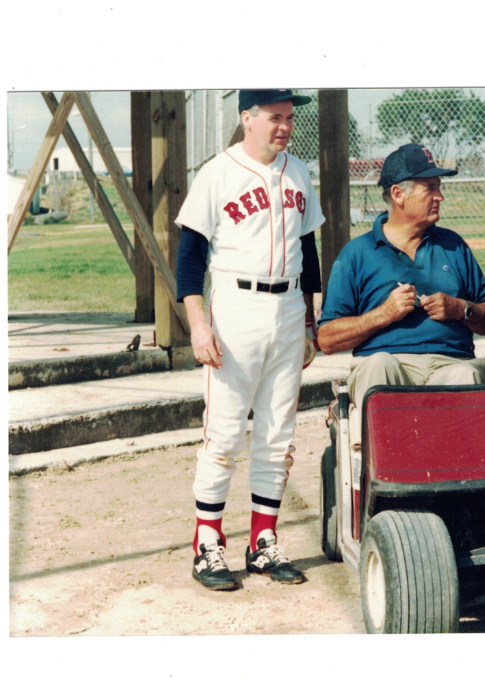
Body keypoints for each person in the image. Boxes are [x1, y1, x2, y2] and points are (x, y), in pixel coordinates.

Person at [174, 89, 324, 590]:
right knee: (223, 433)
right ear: (247, 119)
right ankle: (207, 542)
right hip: (236, 306)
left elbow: (309, 249)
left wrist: (309, 321)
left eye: (289, 118)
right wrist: (198, 323)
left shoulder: (298, 170)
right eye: (275, 117)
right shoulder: (217, 172)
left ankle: (263, 540)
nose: (285, 126)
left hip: (287, 309)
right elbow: (190, 257)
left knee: (278, 435)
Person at [317, 143, 485, 417]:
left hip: (450, 363)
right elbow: (327, 340)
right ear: (398, 194)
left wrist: (460, 309)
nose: (439, 196)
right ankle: (376, 458)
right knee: (379, 365)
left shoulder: (453, 245)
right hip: (388, 363)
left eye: (439, 186)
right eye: (430, 187)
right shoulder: (358, 253)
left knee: (464, 375)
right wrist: (383, 314)